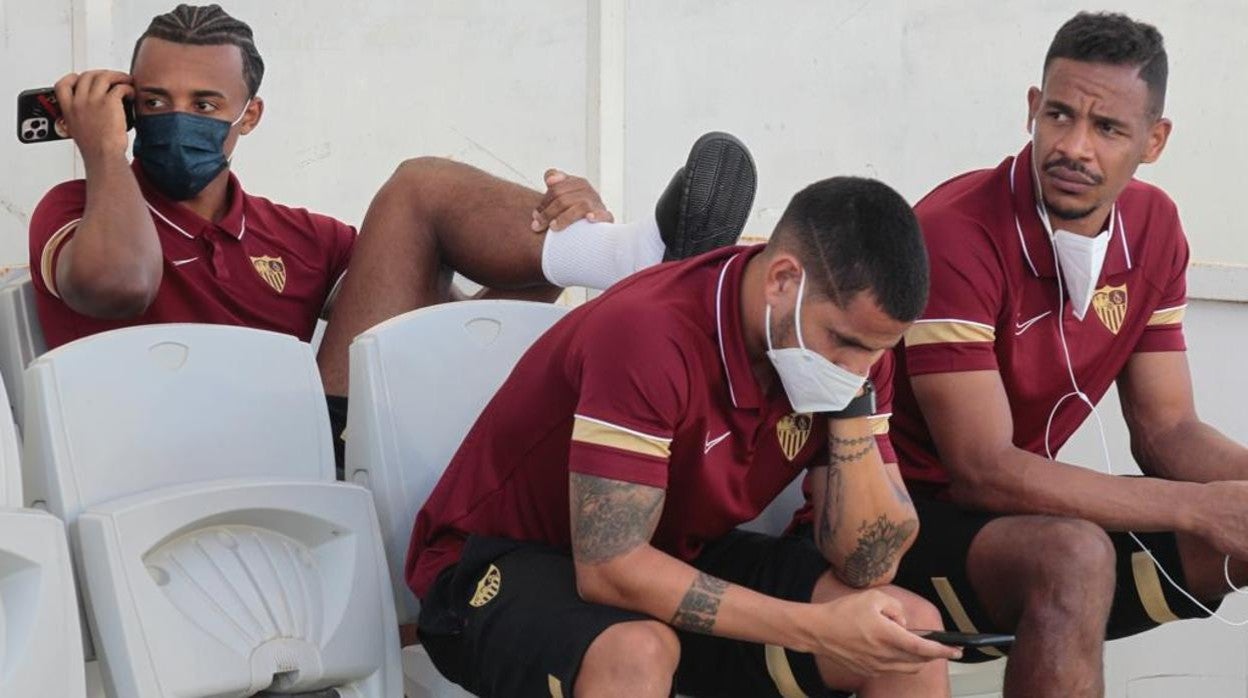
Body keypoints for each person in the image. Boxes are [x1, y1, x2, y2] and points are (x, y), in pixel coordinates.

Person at [26, 3, 757, 466]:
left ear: (248, 117)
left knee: (428, 198)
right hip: (147, 468)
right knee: (419, 187)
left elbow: (439, 335)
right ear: (126, 108)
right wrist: (100, 153)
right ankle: (641, 262)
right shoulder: (73, 210)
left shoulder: (294, 235)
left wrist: (557, 252)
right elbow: (122, 284)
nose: (176, 118)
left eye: (204, 102)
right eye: (154, 101)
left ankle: (630, 256)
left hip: (315, 451)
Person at [804, 13, 1248, 697]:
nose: (1074, 147)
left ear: (1153, 141)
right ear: (1033, 109)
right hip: (902, 519)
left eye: (1107, 129)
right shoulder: (957, 233)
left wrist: (1231, 498)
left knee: (1229, 536)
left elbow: (1169, 432)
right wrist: (1195, 507)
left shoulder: (1157, 228)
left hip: (1017, 514)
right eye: (1060, 116)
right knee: (1072, 554)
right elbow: (982, 470)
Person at [406, 177, 962, 697]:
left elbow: (870, 564)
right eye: (843, 342)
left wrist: (850, 404)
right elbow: (610, 568)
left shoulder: (853, 363)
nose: (858, 368)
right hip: (499, 563)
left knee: (907, 634)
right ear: (782, 280)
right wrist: (813, 628)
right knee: (637, 650)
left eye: (877, 351)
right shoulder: (651, 332)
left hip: (675, 550)